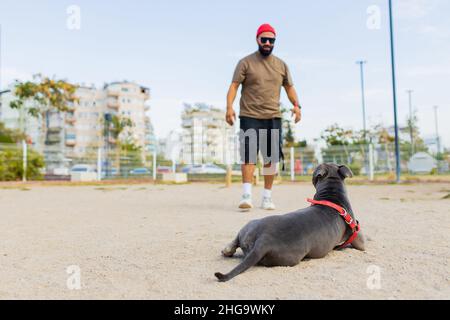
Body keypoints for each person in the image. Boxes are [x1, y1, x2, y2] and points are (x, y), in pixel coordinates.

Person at [226, 23, 302, 210]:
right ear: (257, 39)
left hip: (273, 117)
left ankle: (267, 197)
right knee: (249, 156)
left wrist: (296, 105)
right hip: (249, 115)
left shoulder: (281, 65)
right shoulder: (246, 62)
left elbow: (289, 87)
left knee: (270, 157)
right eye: (264, 39)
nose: (268, 43)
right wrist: (229, 107)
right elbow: (234, 85)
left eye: (271, 40)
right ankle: (246, 195)